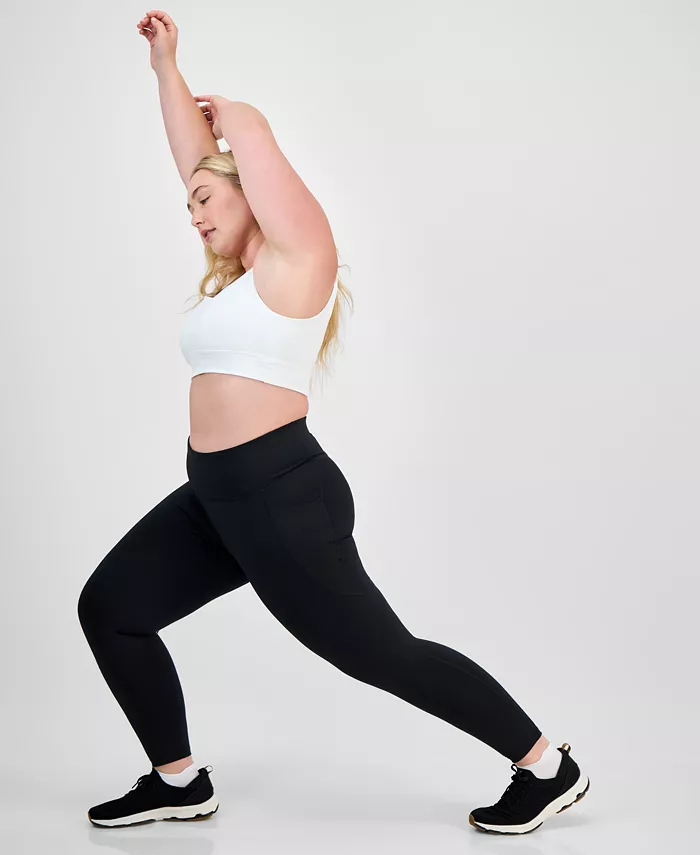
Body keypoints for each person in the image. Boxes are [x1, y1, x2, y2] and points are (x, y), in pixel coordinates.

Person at [77, 10, 590, 835]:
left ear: (249, 188)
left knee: (380, 653)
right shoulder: (241, 281)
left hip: (282, 497)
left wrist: (235, 116)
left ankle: (545, 764)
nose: (194, 214)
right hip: (216, 498)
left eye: (205, 199)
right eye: (189, 205)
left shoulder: (299, 261)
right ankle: (178, 780)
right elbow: (199, 163)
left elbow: (242, 151)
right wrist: (166, 68)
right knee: (111, 606)